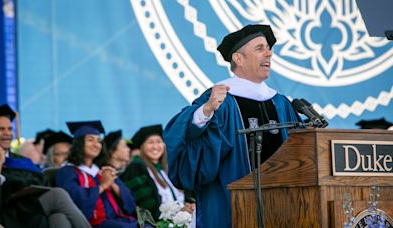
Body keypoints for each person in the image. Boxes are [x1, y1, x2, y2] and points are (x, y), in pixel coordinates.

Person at [163, 24, 301, 227]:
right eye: (260, 48)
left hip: (280, 205)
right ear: (238, 59)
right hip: (230, 206)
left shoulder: (280, 103)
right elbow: (184, 136)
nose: (269, 53)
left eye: (268, 48)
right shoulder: (220, 99)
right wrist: (207, 110)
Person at [0, 104, 91, 228]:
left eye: (9, 129)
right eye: (0, 129)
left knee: (58, 218)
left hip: (33, 210)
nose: (7, 133)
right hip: (9, 215)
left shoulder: (21, 161)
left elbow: (43, 183)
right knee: (57, 195)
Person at [56, 121, 138, 227]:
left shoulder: (102, 171)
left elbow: (130, 202)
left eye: (99, 141)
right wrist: (103, 186)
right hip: (93, 224)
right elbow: (73, 200)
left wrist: (112, 183)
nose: (96, 145)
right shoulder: (67, 171)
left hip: (116, 220)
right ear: (79, 143)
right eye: (90, 140)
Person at [120, 125, 195, 221]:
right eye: (150, 142)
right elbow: (146, 204)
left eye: (159, 142)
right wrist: (177, 212)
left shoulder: (167, 168)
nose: (155, 146)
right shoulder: (136, 168)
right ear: (142, 146)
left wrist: (189, 204)